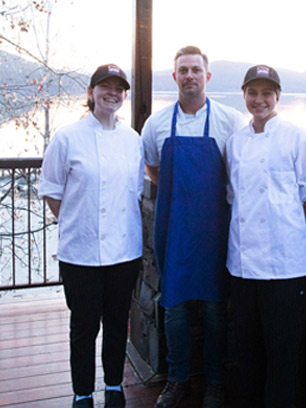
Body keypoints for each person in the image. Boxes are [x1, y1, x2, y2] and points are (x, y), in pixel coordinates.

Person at [141, 46, 244, 408]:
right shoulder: (156, 124)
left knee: (216, 312)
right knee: (175, 310)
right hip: (173, 231)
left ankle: (215, 382)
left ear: (207, 76)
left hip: (214, 232)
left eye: (195, 70)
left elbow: (240, 171)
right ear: (175, 77)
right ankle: (177, 380)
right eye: (183, 70)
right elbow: (153, 170)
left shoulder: (230, 120)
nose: (189, 76)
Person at [225, 65, 306, 408]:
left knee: (284, 356)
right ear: (243, 95)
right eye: (252, 93)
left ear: (278, 97)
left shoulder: (298, 137)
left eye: (266, 94)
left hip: (285, 269)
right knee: (247, 352)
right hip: (242, 267)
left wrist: (293, 236)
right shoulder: (235, 143)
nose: (259, 100)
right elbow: (233, 197)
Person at [39, 64, 145, 408]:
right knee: (83, 327)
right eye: (105, 87)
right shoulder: (67, 138)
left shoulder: (133, 141)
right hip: (80, 253)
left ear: (124, 95)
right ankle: (82, 392)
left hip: (123, 252)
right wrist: (78, 222)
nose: (112, 93)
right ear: (91, 92)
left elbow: (136, 192)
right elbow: (53, 191)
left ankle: (114, 385)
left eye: (119, 88)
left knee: (117, 324)